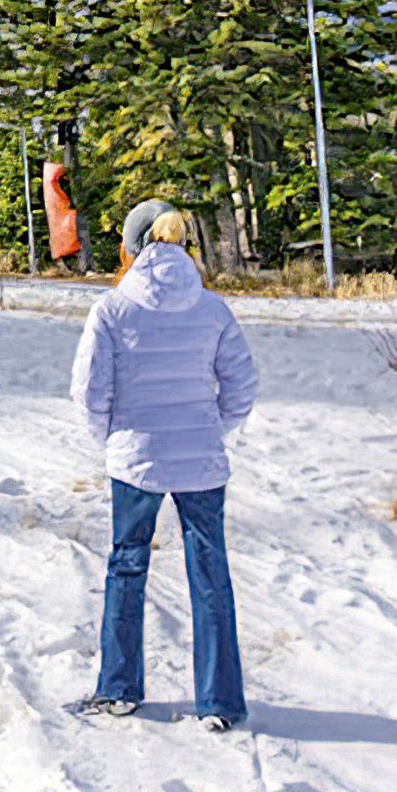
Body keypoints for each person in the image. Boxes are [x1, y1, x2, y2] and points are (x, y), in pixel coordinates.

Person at [69, 209, 258, 731]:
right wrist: (211, 428)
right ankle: (219, 702)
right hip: (201, 461)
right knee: (210, 573)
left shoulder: (112, 309)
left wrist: (112, 439)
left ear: (131, 247)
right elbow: (242, 384)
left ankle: (118, 690)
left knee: (127, 566)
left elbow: (89, 391)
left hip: (136, 460)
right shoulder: (213, 309)